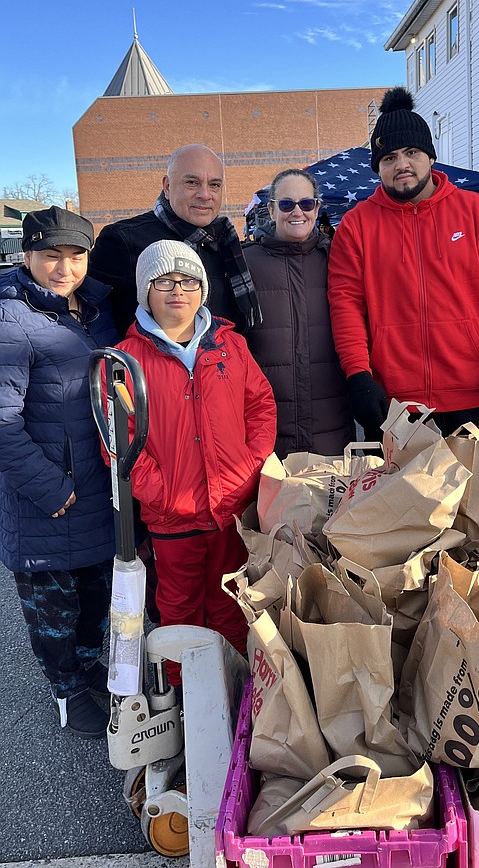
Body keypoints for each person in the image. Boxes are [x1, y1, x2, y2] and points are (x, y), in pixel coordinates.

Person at [112, 240, 276, 686]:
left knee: (229, 602)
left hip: (229, 510)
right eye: (164, 281)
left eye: (187, 280)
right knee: (179, 607)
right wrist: (161, 492)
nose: (177, 291)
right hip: (172, 519)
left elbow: (260, 406)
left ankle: (233, 690)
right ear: (145, 290)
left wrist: (248, 467)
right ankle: (183, 697)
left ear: (202, 289)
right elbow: (118, 441)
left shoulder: (230, 345)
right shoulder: (126, 359)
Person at [327, 87, 479, 439]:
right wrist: (358, 373)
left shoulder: (477, 212)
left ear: (430, 156)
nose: (401, 164)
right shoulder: (356, 225)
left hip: (478, 393)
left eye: (411, 152)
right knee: (404, 496)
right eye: (389, 157)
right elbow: (346, 305)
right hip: (396, 406)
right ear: (378, 167)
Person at [0, 206, 117, 738]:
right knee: (53, 606)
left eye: (75, 255)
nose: (63, 268)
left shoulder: (97, 311)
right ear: (28, 256)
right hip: (46, 497)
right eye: (51, 255)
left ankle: (89, 664)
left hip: (95, 487)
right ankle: (66, 690)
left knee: (95, 593)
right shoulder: (12, 318)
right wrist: (50, 489)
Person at [88, 143, 262, 338]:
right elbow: (91, 316)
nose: (205, 195)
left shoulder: (225, 241)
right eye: (192, 183)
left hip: (222, 365)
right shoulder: (122, 239)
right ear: (167, 186)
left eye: (214, 185)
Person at [243, 169, 355, 458]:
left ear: (317, 208)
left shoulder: (337, 259)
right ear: (270, 209)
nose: (298, 212)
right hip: (268, 437)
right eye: (286, 204)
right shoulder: (245, 264)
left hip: (332, 431)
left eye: (306, 204)